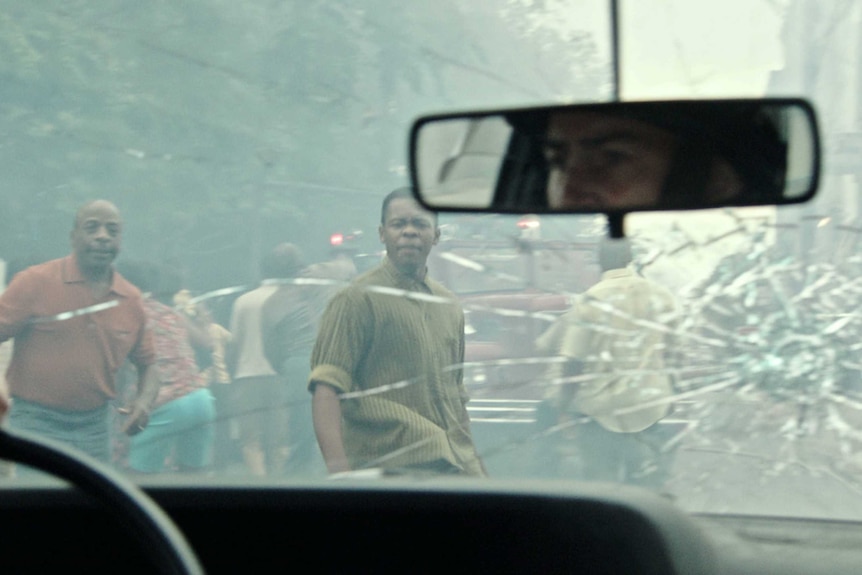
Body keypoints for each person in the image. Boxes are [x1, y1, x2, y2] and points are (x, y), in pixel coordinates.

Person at [308, 187, 485, 476]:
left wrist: (480, 476)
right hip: (388, 473)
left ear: (436, 236)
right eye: (399, 224)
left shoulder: (450, 306)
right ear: (382, 234)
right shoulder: (356, 299)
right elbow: (326, 389)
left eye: (420, 224)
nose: (410, 232)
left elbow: (457, 400)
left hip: (453, 470)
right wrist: (341, 477)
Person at [0, 200, 158, 463]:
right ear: (74, 237)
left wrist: (143, 403)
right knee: (40, 502)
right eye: (92, 228)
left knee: (89, 503)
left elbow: (150, 364)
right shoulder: (34, 281)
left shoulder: (130, 300)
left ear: (120, 240)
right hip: (35, 422)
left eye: (112, 230)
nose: (102, 237)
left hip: (95, 428)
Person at [535, 237, 679, 488]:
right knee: (647, 483)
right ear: (630, 258)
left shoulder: (590, 300)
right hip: (650, 403)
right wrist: (673, 393)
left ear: (599, 261)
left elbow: (573, 362)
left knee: (601, 480)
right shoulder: (662, 296)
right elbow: (673, 354)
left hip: (601, 411)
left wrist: (563, 405)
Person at [121, 262, 216, 474]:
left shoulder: (124, 315)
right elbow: (207, 343)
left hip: (163, 403)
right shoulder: (171, 313)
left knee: (141, 480)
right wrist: (204, 317)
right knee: (193, 479)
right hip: (200, 399)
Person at [226, 243, 299, 476]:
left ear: (263, 271)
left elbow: (233, 344)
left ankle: (260, 485)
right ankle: (279, 484)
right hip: (281, 378)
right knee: (280, 439)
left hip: (247, 377)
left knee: (251, 439)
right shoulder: (295, 300)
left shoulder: (244, 301)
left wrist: (231, 376)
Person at [260, 244, 324, 477]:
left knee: (302, 431)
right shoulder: (318, 291)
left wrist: (285, 367)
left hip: (297, 367)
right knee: (316, 430)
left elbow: (271, 350)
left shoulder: (273, 303)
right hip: (326, 364)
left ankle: (299, 481)